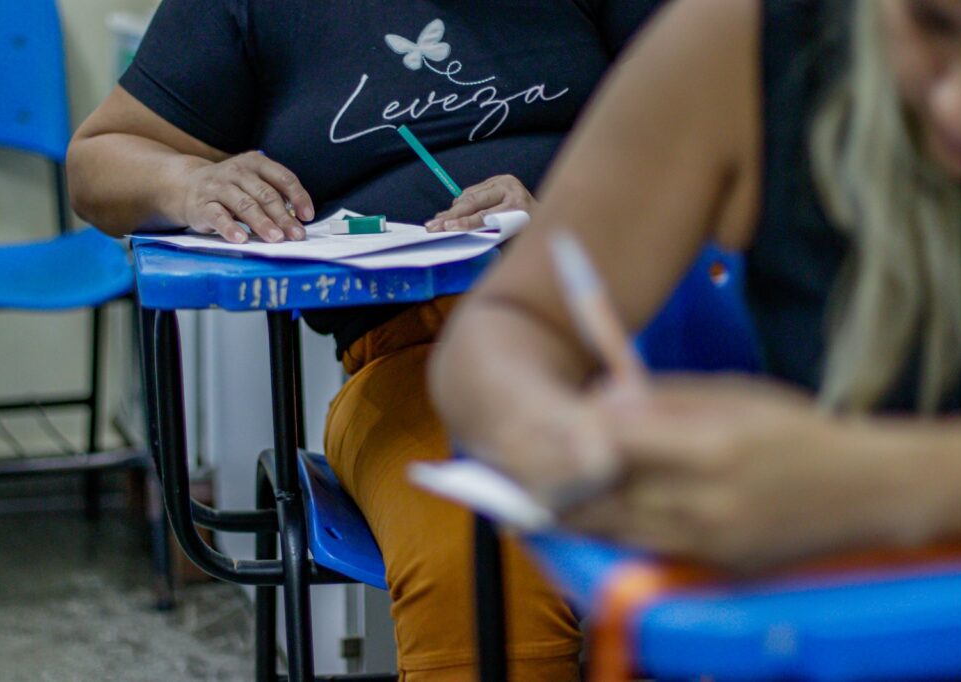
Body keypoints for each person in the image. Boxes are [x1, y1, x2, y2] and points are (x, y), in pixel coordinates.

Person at [66, 1, 665, 678]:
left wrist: (573, 209)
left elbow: (727, 136)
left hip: (645, 329)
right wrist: (189, 182)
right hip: (419, 360)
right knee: (482, 547)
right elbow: (97, 161)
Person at [432, 0, 961, 574]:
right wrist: (556, 434)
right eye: (932, 25)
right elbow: (511, 321)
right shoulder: (748, 36)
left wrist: (873, 484)